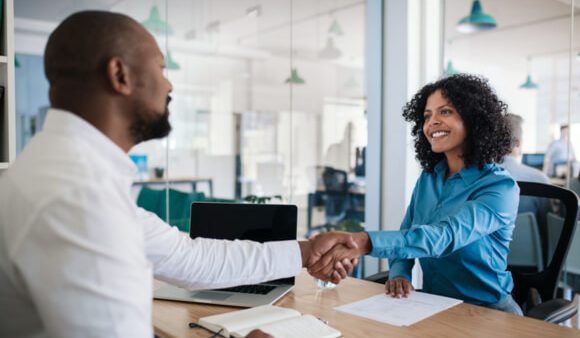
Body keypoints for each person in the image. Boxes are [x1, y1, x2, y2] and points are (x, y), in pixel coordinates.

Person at [0, 11, 356, 338]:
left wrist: (307, 251)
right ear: (120, 75)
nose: (169, 86)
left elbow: (190, 258)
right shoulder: (79, 200)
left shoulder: (59, 176)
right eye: (160, 68)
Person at [309, 74, 523, 315]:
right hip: (435, 306)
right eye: (427, 116)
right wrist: (400, 272)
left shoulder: (500, 188)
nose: (432, 123)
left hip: (489, 312)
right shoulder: (429, 178)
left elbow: (443, 237)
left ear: (474, 119)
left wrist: (362, 242)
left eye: (445, 112)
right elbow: (408, 231)